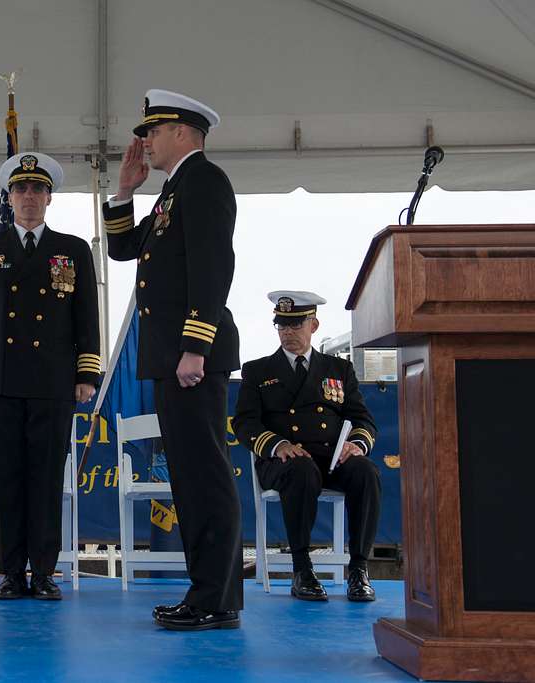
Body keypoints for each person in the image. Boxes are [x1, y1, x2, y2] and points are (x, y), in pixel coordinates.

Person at [103, 89, 242, 631]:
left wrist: (195, 345)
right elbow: (123, 250)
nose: (146, 142)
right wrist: (124, 190)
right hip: (170, 356)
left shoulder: (204, 182)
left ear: (183, 131)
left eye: (153, 131)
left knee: (203, 475)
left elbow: (213, 266)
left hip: (190, 356)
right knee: (188, 476)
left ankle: (217, 597)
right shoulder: (172, 191)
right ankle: (208, 591)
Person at [0, 152, 100, 601]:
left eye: (38, 189)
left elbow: (86, 317)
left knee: (44, 479)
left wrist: (86, 372)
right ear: (9, 197)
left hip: (53, 381)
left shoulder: (73, 250)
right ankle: (10, 572)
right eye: (21, 189)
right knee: (6, 479)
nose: (29, 197)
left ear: (49, 197)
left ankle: (43, 572)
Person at [233, 291, 380, 602]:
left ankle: (359, 569)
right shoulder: (258, 371)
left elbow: (362, 419)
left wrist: (356, 444)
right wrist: (277, 444)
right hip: (284, 461)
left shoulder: (338, 370)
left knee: (365, 471)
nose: (288, 333)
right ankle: (302, 570)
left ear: (313, 325)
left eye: (295, 325)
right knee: (301, 471)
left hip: (331, 458)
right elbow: (245, 423)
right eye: (282, 326)